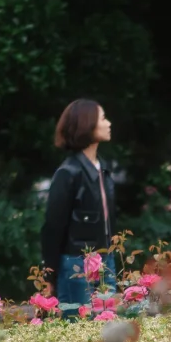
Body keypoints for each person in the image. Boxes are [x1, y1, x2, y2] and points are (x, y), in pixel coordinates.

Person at [40, 99, 117, 316]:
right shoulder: (68, 173)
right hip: (76, 264)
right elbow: (53, 227)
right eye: (103, 118)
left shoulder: (103, 170)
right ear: (88, 124)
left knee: (105, 327)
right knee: (78, 329)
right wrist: (50, 274)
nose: (109, 123)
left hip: (106, 261)